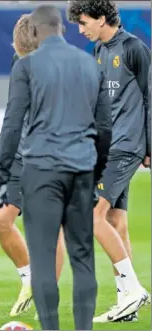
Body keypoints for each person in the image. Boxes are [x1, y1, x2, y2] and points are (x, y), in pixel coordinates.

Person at [0, 5, 112, 330]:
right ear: (60, 27)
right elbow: (104, 128)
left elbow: (12, 124)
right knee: (83, 259)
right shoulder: (90, 64)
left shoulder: (27, 66)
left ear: (35, 31)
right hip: (81, 170)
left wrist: (1, 174)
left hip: (42, 170)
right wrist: (95, 171)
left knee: (43, 260)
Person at [67, 0, 151, 322]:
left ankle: (133, 290)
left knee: (91, 215)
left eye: (84, 22)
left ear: (102, 19)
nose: (81, 29)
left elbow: (150, 96)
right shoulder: (98, 53)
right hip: (106, 148)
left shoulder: (134, 49)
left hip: (127, 146)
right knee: (116, 222)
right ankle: (126, 304)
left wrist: (150, 144)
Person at [0, 14, 66, 318]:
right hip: (21, 158)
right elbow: (13, 114)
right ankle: (29, 280)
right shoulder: (18, 65)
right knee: (0, 221)